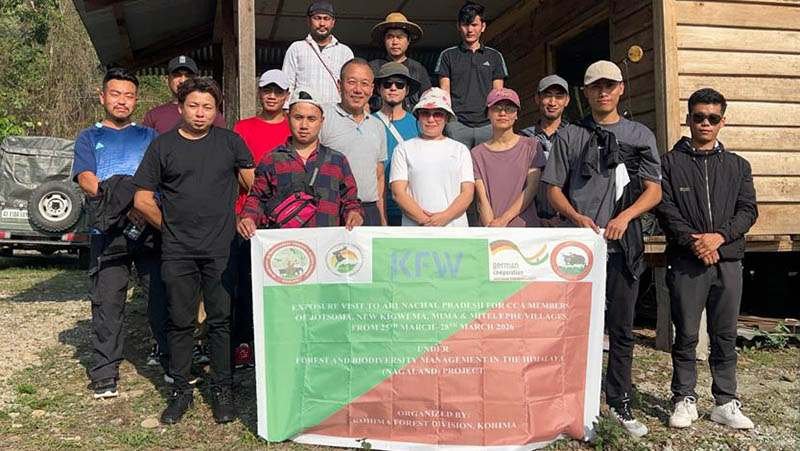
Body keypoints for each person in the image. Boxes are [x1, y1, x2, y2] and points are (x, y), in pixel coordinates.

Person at [541, 60, 663, 438]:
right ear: (586, 92)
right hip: (579, 247)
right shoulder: (570, 135)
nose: (603, 92)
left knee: (622, 327)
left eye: (609, 85)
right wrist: (575, 216)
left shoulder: (639, 135)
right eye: (595, 86)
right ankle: (573, 402)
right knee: (573, 328)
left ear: (621, 88)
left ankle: (620, 402)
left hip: (624, 245)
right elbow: (552, 188)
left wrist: (625, 216)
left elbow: (654, 191)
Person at [133, 77, 255, 425]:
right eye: (194, 106)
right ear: (180, 107)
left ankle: (222, 389)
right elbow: (142, 199)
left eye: (208, 107)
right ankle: (180, 391)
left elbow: (255, 185)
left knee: (221, 320)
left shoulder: (230, 142)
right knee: (180, 321)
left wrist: (245, 214)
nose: (200, 113)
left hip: (221, 248)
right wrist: (169, 228)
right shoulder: (162, 147)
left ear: (217, 111)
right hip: (178, 251)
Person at [657, 88, 757, 430]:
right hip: (687, 261)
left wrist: (719, 237)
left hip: (728, 260)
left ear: (722, 122)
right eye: (699, 117)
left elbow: (748, 210)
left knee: (725, 333)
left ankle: (725, 401)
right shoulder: (669, 163)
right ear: (688, 119)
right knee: (686, 332)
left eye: (713, 118)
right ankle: (684, 397)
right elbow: (665, 208)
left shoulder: (738, 166)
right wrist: (695, 242)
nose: (705, 123)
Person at [72, 68, 165, 400]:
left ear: (136, 100)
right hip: (107, 231)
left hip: (147, 228)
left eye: (128, 95)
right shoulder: (88, 137)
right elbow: (86, 179)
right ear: (103, 97)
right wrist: (124, 199)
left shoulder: (149, 136)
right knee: (108, 302)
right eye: (115, 94)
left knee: (160, 296)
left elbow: (160, 177)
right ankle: (104, 372)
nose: (122, 101)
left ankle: (168, 358)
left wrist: (141, 206)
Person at [229, 70, 292, 368]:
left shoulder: (294, 125)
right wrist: (266, 197)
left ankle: (278, 342)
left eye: (278, 91)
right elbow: (243, 172)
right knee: (244, 283)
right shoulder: (243, 127)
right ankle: (243, 343)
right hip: (249, 217)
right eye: (267, 90)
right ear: (259, 92)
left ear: (286, 95)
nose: (272, 96)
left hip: (286, 221)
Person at [237, 89, 364, 234]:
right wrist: (248, 218)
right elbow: (257, 198)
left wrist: (354, 213)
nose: (304, 125)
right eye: (298, 117)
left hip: (327, 242)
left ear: (321, 121)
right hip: (285, 243)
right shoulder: (272, 159)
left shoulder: (337, 160)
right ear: (288, 118)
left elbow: (350, 200)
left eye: (311, 119)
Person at [390, 87, 474, 227]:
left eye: (438, 114)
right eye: (425, 113)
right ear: (418, 116)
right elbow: (398, 192)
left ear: (446, 117)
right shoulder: (403, 149)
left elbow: (467, 193)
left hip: (454, 231)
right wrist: (424, 220)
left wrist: (444, 217)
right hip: (416, 231)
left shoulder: (461, 150)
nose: (431, 119)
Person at [319, 58, 388, 226]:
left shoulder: (377, 125)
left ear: (372, 89)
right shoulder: (323, 117)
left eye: (364, 84)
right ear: (339, 85)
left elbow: (379, 175)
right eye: (351, 82)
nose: (358, 90)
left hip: (369, 210)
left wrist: (381, 216)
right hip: (332, 209)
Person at [434, 1, 508, 149]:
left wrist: (497, 121)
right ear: (458, 26)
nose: (470, 30)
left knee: (487, 164)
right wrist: (449, 123)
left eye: (474, 25)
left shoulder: (494, 56)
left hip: (487, 125)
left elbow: (498, 94)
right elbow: (444, 93)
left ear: (483, 26)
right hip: (457, 124)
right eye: (465, 25)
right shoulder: (448, 55)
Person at [471, 88, 546, 227]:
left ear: (516, 114)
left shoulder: (532, 146)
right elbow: (482, 199)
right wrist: (492, 229)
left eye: (509, 109)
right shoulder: (476, 154)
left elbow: (532, 187)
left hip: (526, 229)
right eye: (496, 108)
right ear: (487, 113)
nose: (503, 113)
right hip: (490, 229)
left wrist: (503, 220)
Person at [372, 62, 421, 226]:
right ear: (379, 89)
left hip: (412, 206)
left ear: (406, 90)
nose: (393, 88)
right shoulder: (368, 123)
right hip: (376, 204)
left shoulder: (418, 124)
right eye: (387, 84)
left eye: (399, 84)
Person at [282, 1, 354, 105]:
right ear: (308, 21)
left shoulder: (345, 52)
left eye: (326, 19)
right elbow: (287, 83)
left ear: (333, 22)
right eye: (317, 18)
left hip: (335, 111)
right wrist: (286, 108)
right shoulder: (296, 48)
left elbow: (350, 86)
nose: (322, 23)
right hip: (304, 111)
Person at [521, 75, 571, 224]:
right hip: (530, 220)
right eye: (547, 96)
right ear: (537, 99)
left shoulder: (575, 137)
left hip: (568, 220)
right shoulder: (524, 138)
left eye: (559, 97)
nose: (553, 102)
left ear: (567, 100)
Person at [142, 55, 226, 133]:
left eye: (188, 75)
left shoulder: (210, 115)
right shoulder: (154, 115)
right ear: (168, 78)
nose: (182, 80)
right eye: (177, 75)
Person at [368, 12, 432, 111]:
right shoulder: (372, 67)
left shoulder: (418, 69)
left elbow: (428, 101)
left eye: (400, 37)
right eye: (390, 37)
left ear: (408, 40)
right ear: (384, 40)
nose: (395, 42)